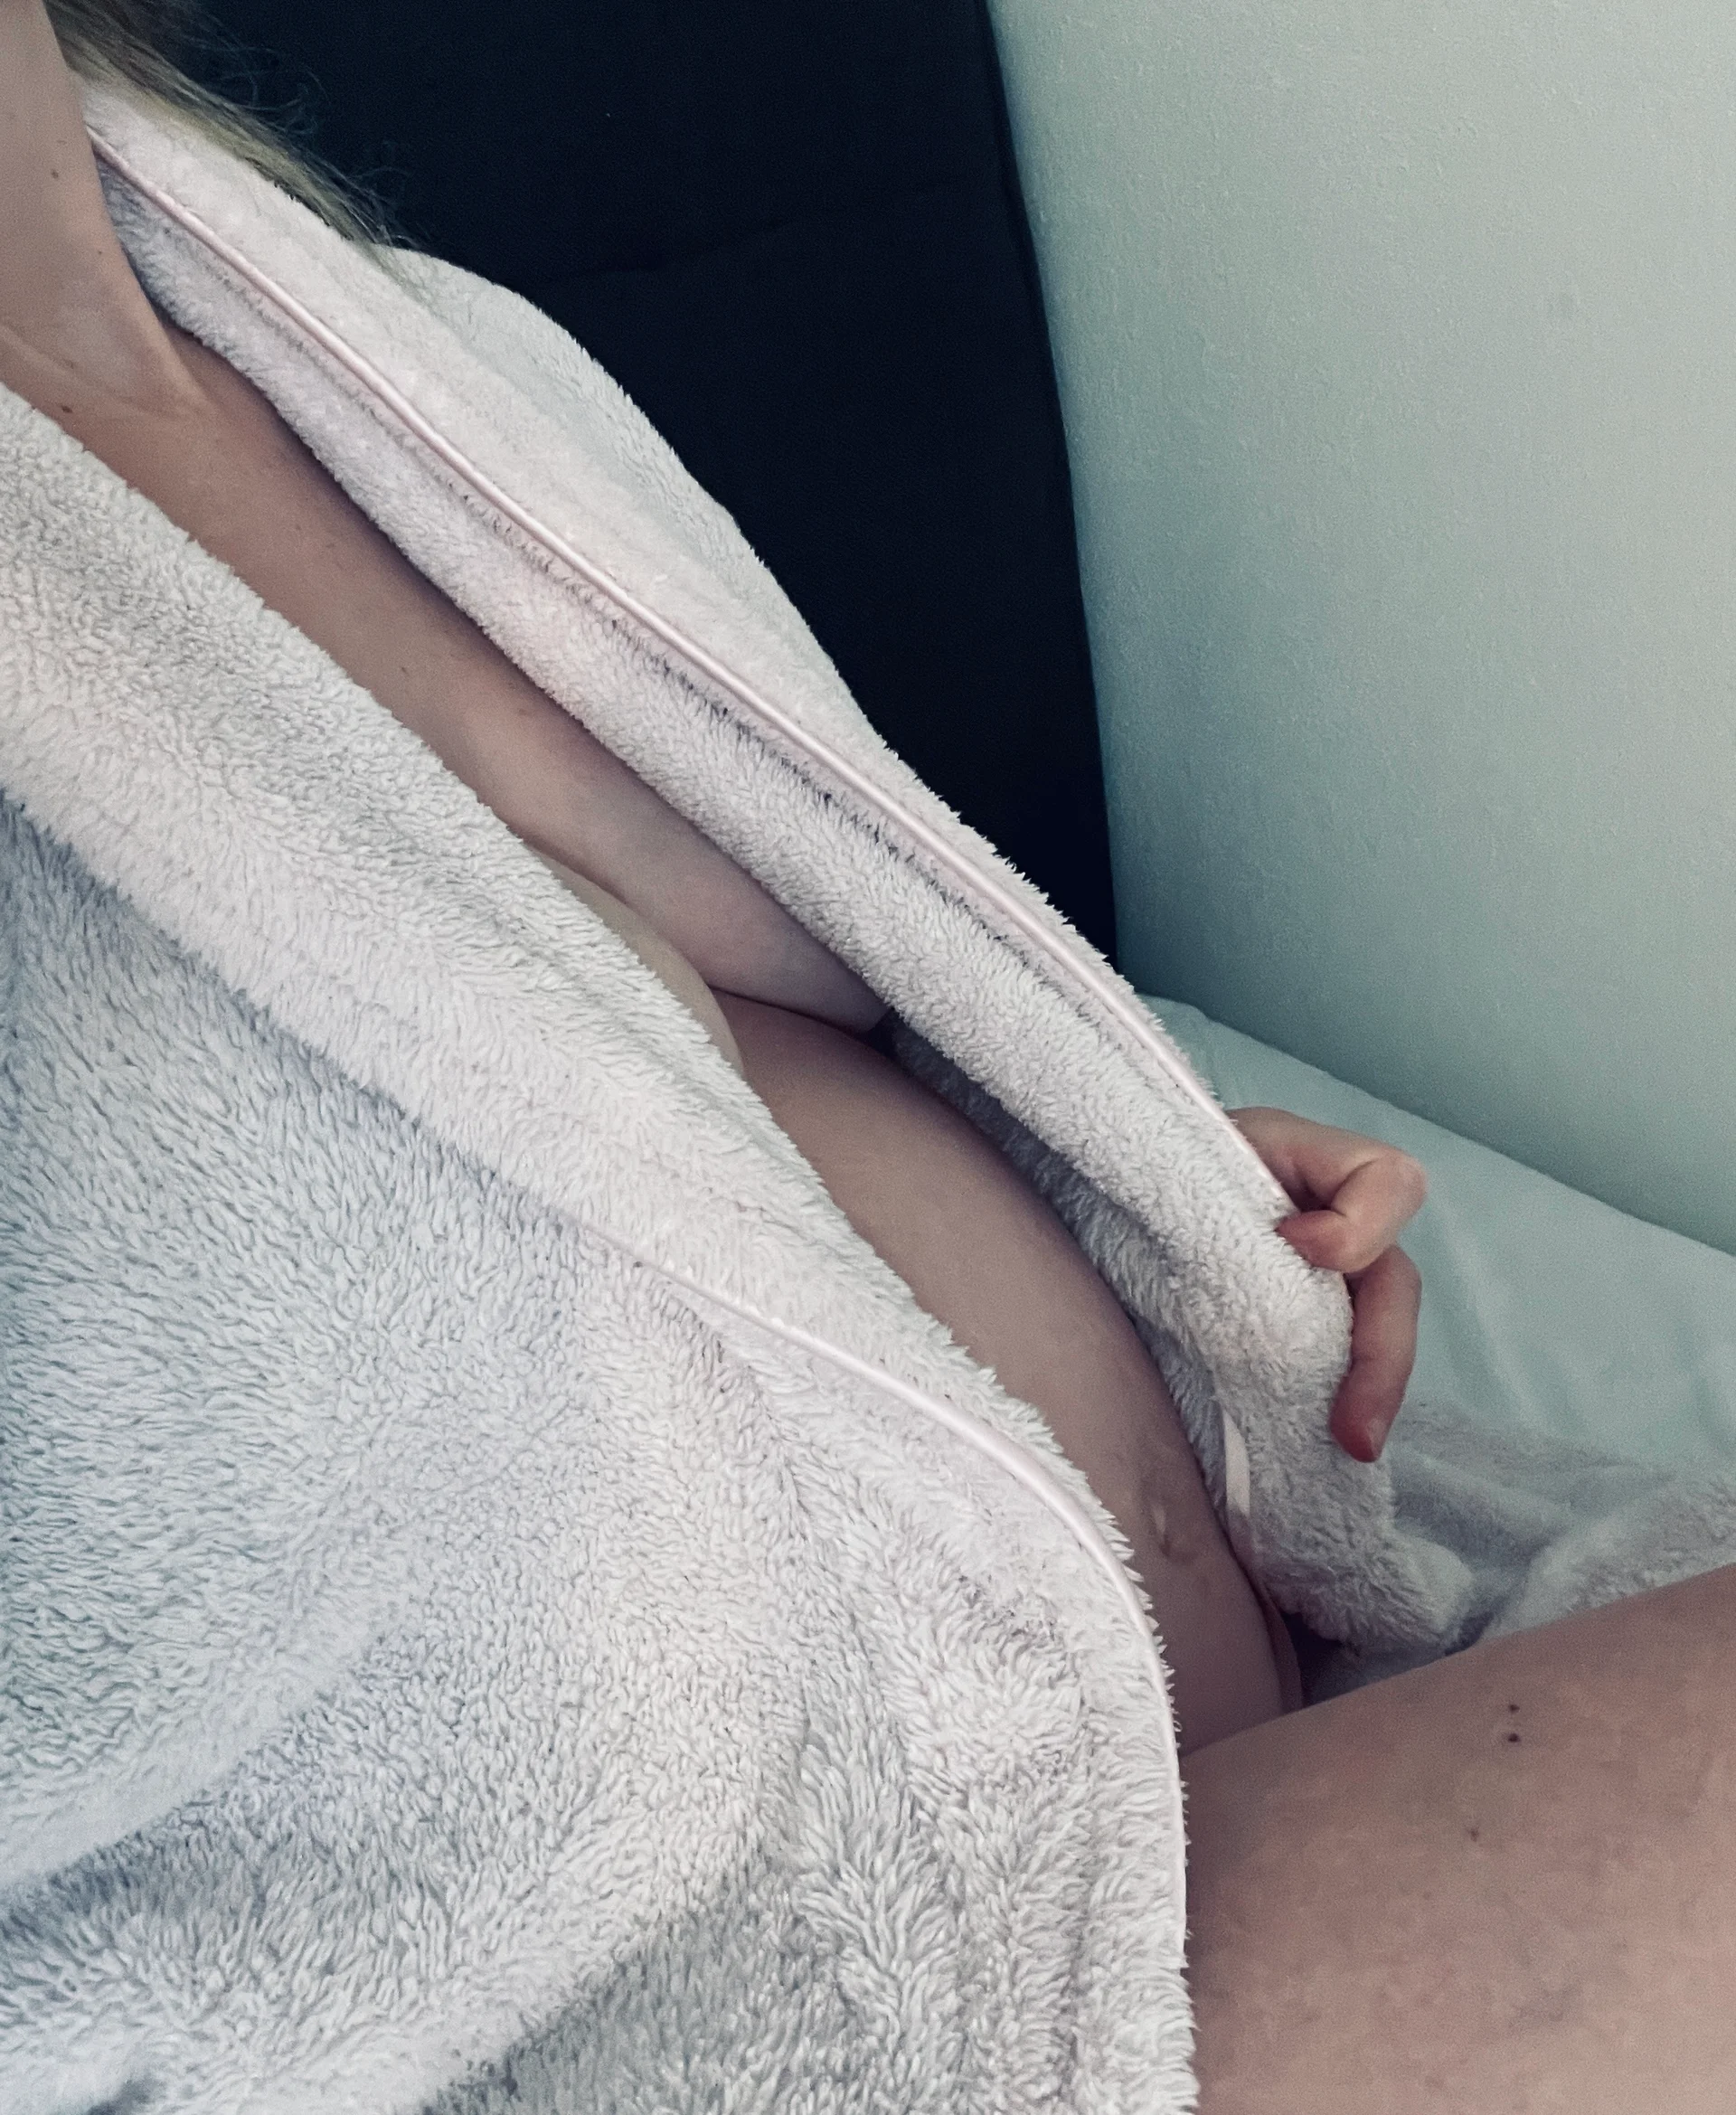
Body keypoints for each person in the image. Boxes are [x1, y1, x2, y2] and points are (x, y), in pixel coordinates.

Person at [3, 3, 1732, 2107]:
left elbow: (788, 1009)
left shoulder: (408, 345)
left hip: (1231, 1746)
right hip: (770, 1995)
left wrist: (1142, 1185)